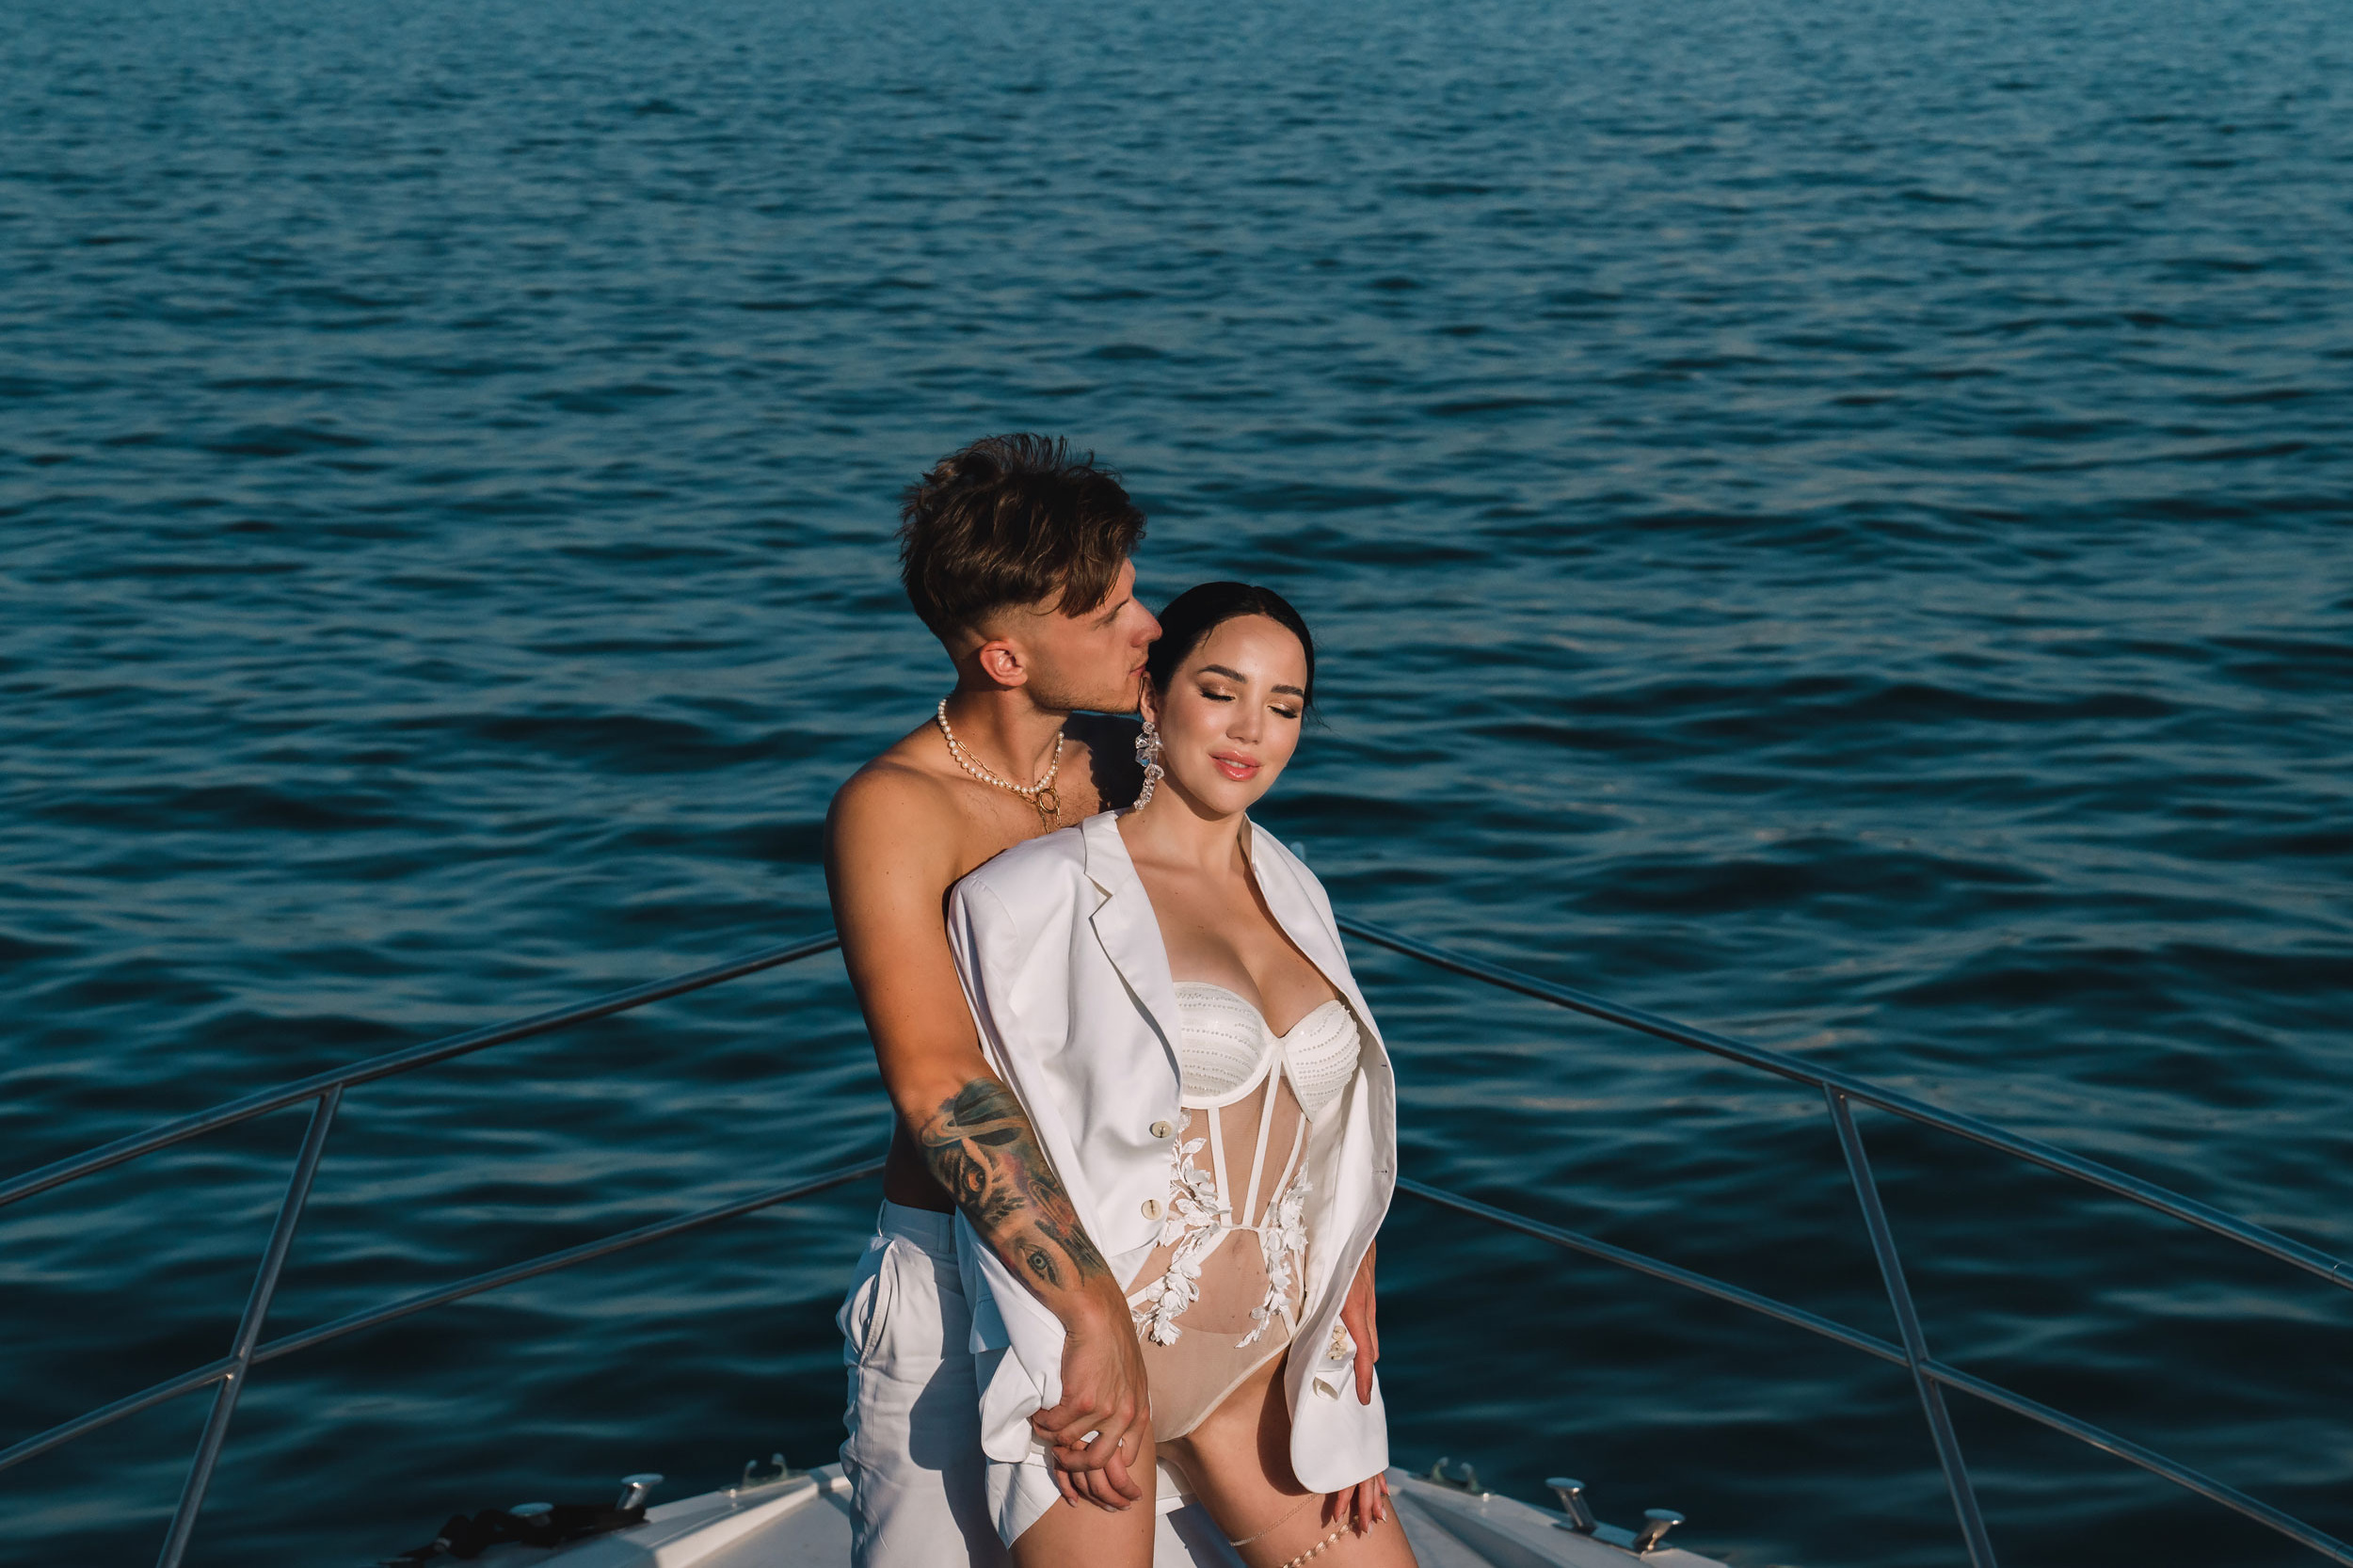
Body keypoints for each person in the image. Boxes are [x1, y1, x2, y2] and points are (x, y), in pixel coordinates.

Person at [945, 583, 1411, 1568]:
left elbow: (1330, 1138)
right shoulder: (1034, 892)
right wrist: (1067, 1339)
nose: (1252, 729)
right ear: (1151, 699)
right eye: (1220, 690)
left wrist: (1346, 1301)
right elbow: (997, 1139)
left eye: (1283, 706)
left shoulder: (1295, 887)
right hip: (1097, 1372)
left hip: (1267, 1367)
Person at [825, 435, 1165, 1568]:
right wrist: (1088, 1310)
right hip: (949, 1262)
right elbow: (934, 1074)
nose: (1148, 626)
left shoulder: (1131, 769)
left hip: (1139, 1228)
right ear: (1009, 659)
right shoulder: (894, 808)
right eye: (1111, 610)